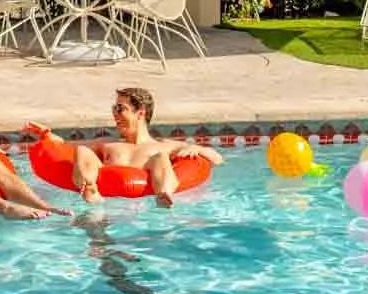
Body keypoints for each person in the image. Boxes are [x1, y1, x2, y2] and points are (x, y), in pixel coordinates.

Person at [26, 86, 222, 207]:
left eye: (121, 109)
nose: (115, 114)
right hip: (108, 203)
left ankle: (164, 194)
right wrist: (47, 135)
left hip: (145, 204)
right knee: (84, 150)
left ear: (140, 113)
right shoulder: (108, 145)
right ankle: (90, 187)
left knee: (159, 157)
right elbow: (67, 147)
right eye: (114, 108)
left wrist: (200, 149)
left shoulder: (163, 146)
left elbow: (218, 159)